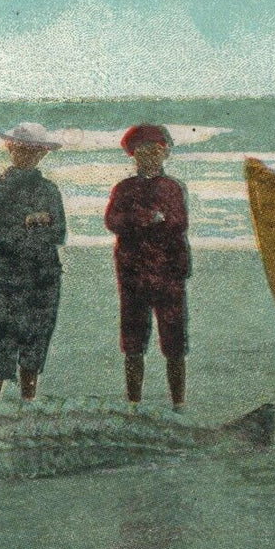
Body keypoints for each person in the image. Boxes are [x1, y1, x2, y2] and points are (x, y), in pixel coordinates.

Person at [0, 122, 67, 404]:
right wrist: (29, 223)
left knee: (37, 338)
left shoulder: (50, 189)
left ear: (42, 154)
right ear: (9, 148)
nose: (26, 155)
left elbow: (59, 232)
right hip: (7, 275)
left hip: (44, 274)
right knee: (0, 338)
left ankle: (28, 403)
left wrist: (33, 228)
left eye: (32, 150)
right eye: (20, 148)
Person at [104, 124, 190, 409]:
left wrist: (155, 221)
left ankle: (178, 404)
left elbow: (179, 223)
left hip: (169, 274)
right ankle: (134, 404)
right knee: (133, 341)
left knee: (174, 341)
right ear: (134, 156)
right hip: (133, 274)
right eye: (143, 152)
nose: (150, 157)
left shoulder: (173, 187)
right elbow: (112, 221)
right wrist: (146, 218)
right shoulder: (124, 188)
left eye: (156, 151)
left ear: (165, 154)